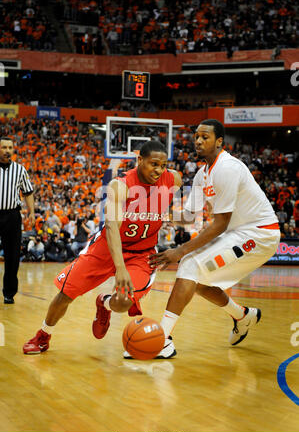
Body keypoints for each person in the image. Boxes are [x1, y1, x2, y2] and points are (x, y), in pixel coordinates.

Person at [23, 141, 182, 355]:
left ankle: (104, 303)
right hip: (108, 246)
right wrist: (120, 268)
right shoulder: (121, 185)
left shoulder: (173, 179)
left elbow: (187, 192)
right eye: (153, 164)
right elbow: (112, 227)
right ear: (139, 160)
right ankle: (43, 335)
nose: (158, 170)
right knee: (66, 293)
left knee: (123, 301)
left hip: (142, 253)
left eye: (163, 165)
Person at [149, 119, 280, 357]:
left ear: (219, 141)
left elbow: (220, 223)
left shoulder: (228, 167)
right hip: (238, 233)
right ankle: (243, 316)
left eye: (205, 137)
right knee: (197, 282)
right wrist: (156, 213)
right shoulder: (202, 174)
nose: (198, 141)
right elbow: (188, 217)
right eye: (196, 136)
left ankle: (162, 340)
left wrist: (180, 251)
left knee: (189, 264)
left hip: (259, 234)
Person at [0, 137, 35, 304]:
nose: (7, 150)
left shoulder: (20, 170)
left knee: (12, 255)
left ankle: (9, 293)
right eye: (4, 147)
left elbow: (28, 192)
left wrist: (32, 213)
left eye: (10, 147)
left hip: (12, 215)